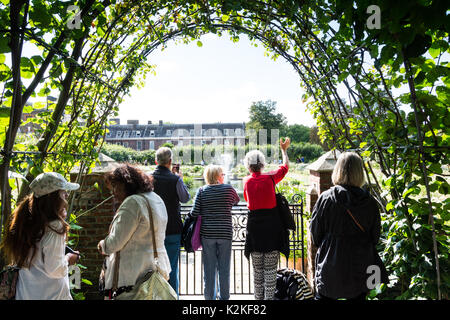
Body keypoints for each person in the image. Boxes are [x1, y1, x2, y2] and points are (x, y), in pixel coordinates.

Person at [309, 152, 385, 300]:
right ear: (359, 172)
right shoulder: (369, 202)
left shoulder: (326, 198)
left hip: (330, 266)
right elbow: (375, 237)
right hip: (361, 268)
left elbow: (315, 235)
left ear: (337, 170)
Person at [1, 172, 80, 300]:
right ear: (53, 197)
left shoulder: (26, 222)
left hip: (25, 294)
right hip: (51, 295)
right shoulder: (55, 227)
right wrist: (68, 258)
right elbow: (55, 269)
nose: (66, 195)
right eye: (63, 191)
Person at [97, 164, 171, 300]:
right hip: (155, 271)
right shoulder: (156, 198)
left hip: (133, 277)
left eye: (115, 186)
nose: (113, 192)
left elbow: (115, 243)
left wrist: (102, 245)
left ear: (127, 183)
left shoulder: (132, 203)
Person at [243, 137, 291, 300]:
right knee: (270, 271)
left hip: (255, 231)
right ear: (262, 164)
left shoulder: (246, 181)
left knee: (257, 272)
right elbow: (285, 167)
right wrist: (284, 150)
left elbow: (248, 201)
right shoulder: (270, 178)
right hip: (272, 229)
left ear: (248, 166)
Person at [189, 165, 240, 300]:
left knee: (209, 270)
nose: (224, 176)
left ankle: (209, 298)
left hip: (208, 235)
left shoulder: (202, 191)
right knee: (224, 269)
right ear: (218, 176)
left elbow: (194, 212)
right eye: (222, 174)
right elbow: (236, 201)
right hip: (225, 234)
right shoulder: (229, 189)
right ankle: (224, 298)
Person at [151, 147, 190, 295]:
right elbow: (185, 198)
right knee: (172, 268)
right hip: (173, 228)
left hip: (153, 230)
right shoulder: (175, 179)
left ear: (156, 161)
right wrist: (179, 177)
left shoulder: (148, 178)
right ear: (170, 161)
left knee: (153, 269)